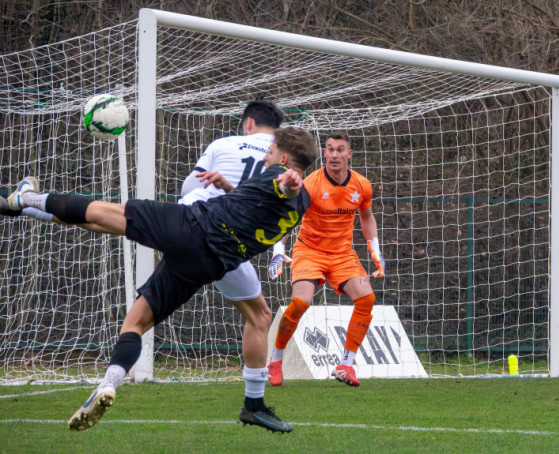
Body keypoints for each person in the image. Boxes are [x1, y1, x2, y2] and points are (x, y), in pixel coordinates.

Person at [4, 126, 318, 432]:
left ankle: (27, 199)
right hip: (211, 264)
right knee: (137, 322)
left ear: (285, 160)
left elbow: (282, 186)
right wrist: (232, 189)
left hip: (191, 227)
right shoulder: (302, 201)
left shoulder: (279, 176)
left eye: (272, 151)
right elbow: (272, 200)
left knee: (107, 213)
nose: (266, 157)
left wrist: (288, 181)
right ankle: (109, 384)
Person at [266, 131, 384, 388]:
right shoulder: (311, 184)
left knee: (367, 299)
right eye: (329, 149)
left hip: (342, 253)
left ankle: (345, 364)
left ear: (349, 155)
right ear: (324, 154)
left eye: (340, 149)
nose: (334, 154)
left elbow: (366, 216)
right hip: (310, 250)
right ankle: (275, 360)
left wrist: (375, 249)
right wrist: (277, 251)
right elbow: (290, 217)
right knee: (300, 302)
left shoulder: (361, 185)